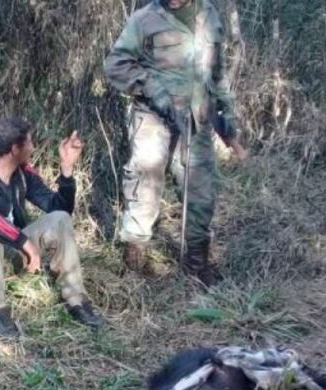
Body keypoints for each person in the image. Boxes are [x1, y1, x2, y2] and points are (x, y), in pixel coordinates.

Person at [103, 0, 246, 285]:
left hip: (198, 118)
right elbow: (115, 65)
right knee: (145, 183)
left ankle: (196, 265)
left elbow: (216, 75)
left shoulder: (209, 15)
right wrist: (152, 89)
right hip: (153, 116)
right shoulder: (145, 19)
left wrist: (227, 122)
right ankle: (135, 263)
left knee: (201, 191)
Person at [0, 117, 104, 338]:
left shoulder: (23, 173)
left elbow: (58, 208)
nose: (33, 147)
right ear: (14, 149)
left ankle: (76, 300)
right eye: (29, 142)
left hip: (9, 252)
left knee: (59, 219)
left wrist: (66, 169)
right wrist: (23, 242)